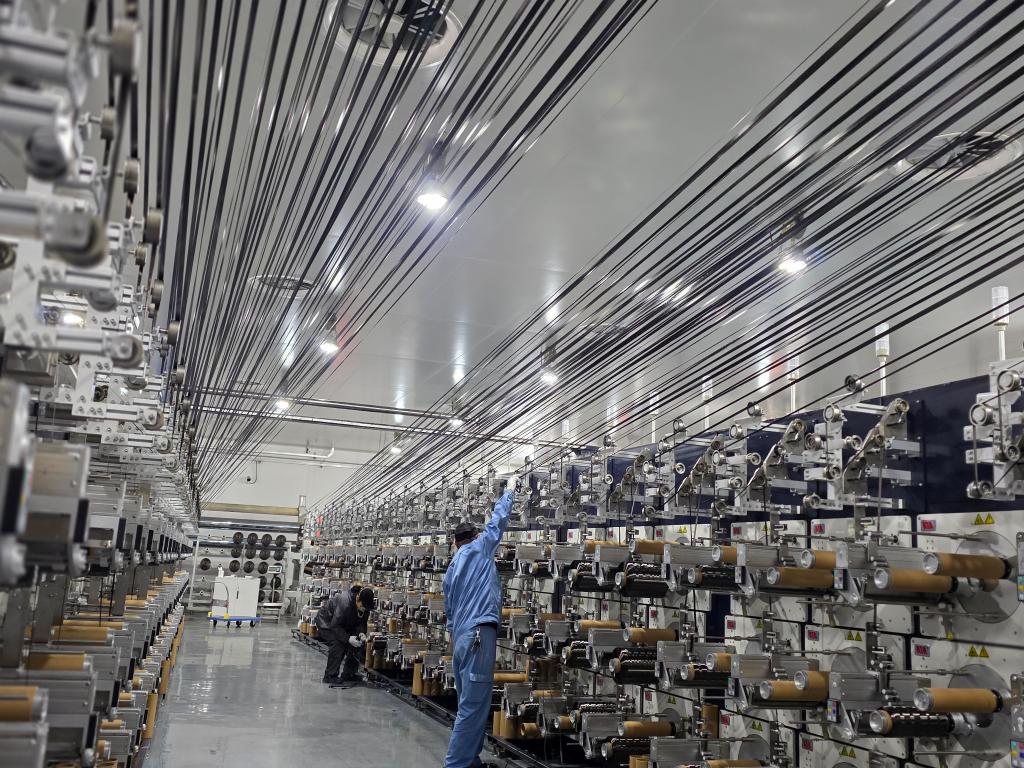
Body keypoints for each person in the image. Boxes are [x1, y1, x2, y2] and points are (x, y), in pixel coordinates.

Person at [442, 482, 516, 768]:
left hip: (461, 639)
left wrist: (455, 636)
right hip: (478, 635)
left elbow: (449, 610)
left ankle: (470, 759)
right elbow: (498, 521)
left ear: (455, 543)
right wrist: (509, 493)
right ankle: (456, 764)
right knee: (473, 706)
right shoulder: (480, 547)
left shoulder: (452, 567)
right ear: (474, 537)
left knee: (468, 703)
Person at [315, 585, 375, 684]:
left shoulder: (365, 606)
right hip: (327, 622)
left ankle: (349, 674)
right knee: (338, 643)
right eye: (363, 607)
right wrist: (347, 638)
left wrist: (361, 633)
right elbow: (335, 625)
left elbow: (361, 623)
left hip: (344, 624)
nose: (364, 609)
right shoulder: (345, 603)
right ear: (358, 599)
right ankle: (330, 676)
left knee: (358, 643)